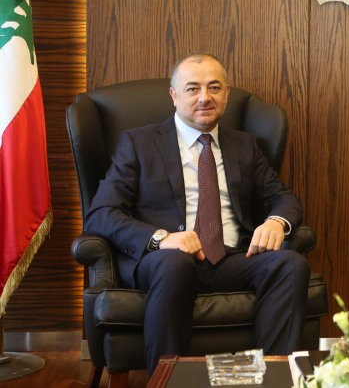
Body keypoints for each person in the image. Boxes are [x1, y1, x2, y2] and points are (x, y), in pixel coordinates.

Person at [85, 53, 310, 374]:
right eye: (192, 89)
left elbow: (283, 198)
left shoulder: (244, 145)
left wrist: (276, 221)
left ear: (226, 94)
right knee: (174, 262)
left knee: (291, 264)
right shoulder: (139, 143)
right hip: (165, 260)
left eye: (214, 87)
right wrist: (161, 239)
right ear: (174, 96)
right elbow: (101, 213)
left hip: (233, 257)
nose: (205, 97)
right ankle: (166, 379)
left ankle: (272, 378)